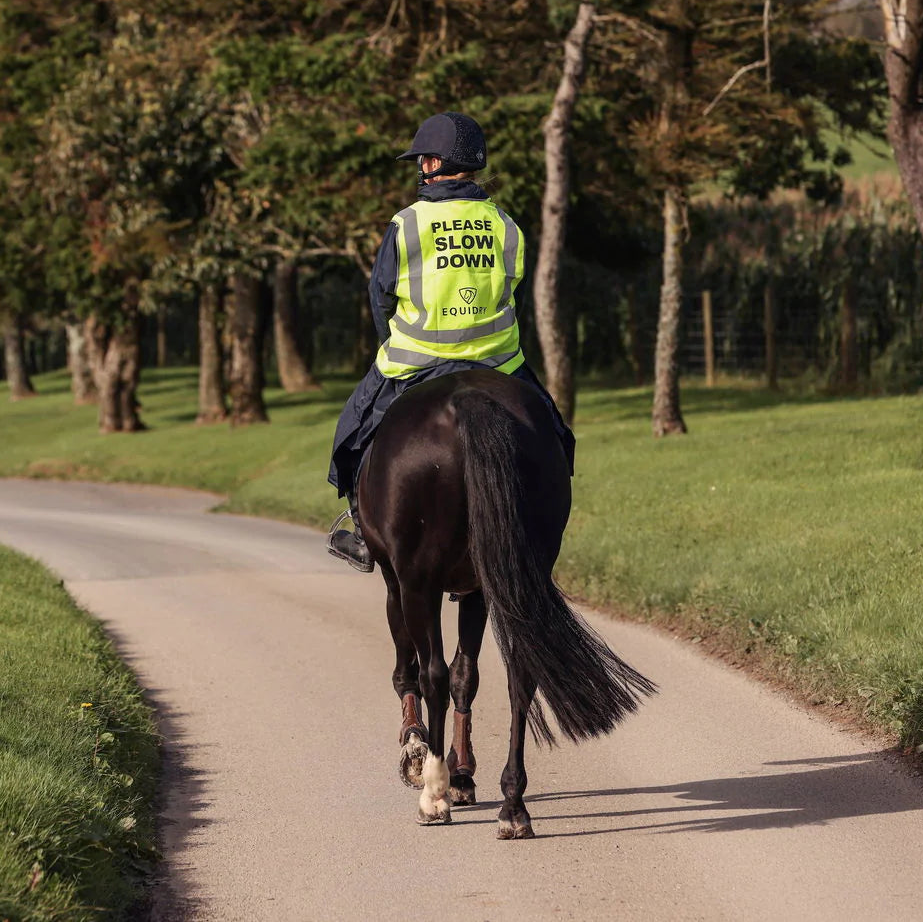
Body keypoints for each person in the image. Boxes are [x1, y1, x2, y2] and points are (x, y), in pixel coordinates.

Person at [327, 111, 575, 573]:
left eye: (422, 160)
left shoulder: (407, 223)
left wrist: (391, 344)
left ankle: (361, 529)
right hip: (497, 364)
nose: (420, 167)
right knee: (557, 436)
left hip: (417, 360)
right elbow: (512, 292)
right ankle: (546, 524)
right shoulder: (505, 225)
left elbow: (380, 295)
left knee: (351, 433)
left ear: (434, 164)